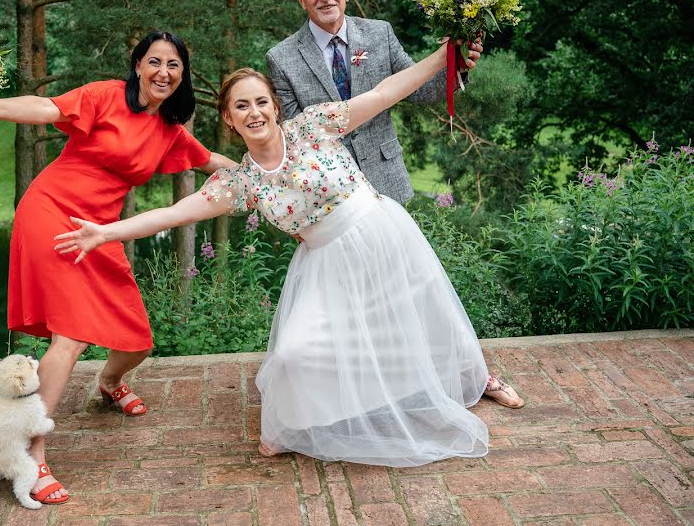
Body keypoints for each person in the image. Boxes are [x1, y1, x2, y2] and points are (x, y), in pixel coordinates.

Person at [53, 44, 524, 468]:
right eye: (241, 106)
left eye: (261, 102)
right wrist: (104, 231)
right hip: (325, 262)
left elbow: (383, 94)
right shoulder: (241, 183)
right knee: (295, 354)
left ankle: (474, 377)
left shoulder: (314, 126)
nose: (254, 112)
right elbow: (173, 213)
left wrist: (445, 56)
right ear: (229, 120)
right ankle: (298, 422)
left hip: (378, 232)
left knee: (425, 312)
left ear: (275, 108)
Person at [0, 31, 237, 503]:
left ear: (182, 74)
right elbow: (47, 109)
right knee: (71, 336)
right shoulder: (103, 96)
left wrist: (266, 173)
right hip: (52, 212)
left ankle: (110, 381)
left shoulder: (169, 132)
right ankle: (30, 458)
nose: (164, 72)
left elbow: (212, 162)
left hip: (98, 231)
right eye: (154, 61)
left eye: (174, 65)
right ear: (138, 65)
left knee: (137, 340)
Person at [266, 0, 483, 204]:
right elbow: (296, 135)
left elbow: (421, 91)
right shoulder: (281, 58)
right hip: (329, 194)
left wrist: (456, 63)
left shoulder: (380, 33)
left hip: (387, 182)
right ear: (302, 1)